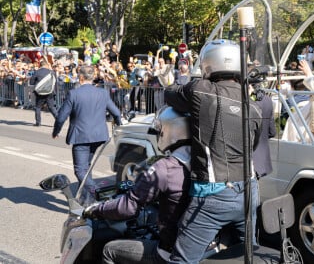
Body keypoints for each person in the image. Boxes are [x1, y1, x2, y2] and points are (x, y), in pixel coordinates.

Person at [164, 40, 262, 263]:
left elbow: (170, 94)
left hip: (214, 193)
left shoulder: (202, 90)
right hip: (249, 189)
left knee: (181, 259)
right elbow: (252, 146)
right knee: (247, 254)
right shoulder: (253, 106)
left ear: (209, 64)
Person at [83, 107, 192, 263]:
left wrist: (96, 209)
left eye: (160, 130)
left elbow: (128, 208)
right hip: (201, 245)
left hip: (170, 252)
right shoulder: (205, 163)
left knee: (109, 250)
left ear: (171, 131)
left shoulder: (165, 167)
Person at [52, 65, 123, 201]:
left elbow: (61, 116)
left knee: (80, 170)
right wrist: (119, 125)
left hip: (81, 136)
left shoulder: (74, 93)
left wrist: (56, 131)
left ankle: (100, 194)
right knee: (86, 167)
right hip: (99, 136)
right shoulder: (102, 93)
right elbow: (116, 113)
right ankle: (84, 198)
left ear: (81, 77)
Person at [251, 82, 275, 178]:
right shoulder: (268, 100)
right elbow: (272, 131)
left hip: (247, 160)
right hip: (261, 159)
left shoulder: (245, 101)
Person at [29, 58, 58, 127]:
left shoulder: (37, 72)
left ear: (40, 65)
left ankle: (38, 123)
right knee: (52, 107)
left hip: (40, 92)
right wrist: (55, 92)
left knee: (38, 107)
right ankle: (59, 120)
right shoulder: (52, 72)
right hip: (50, 92)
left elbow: (31, 82)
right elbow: (55, 83)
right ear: (47, 65)